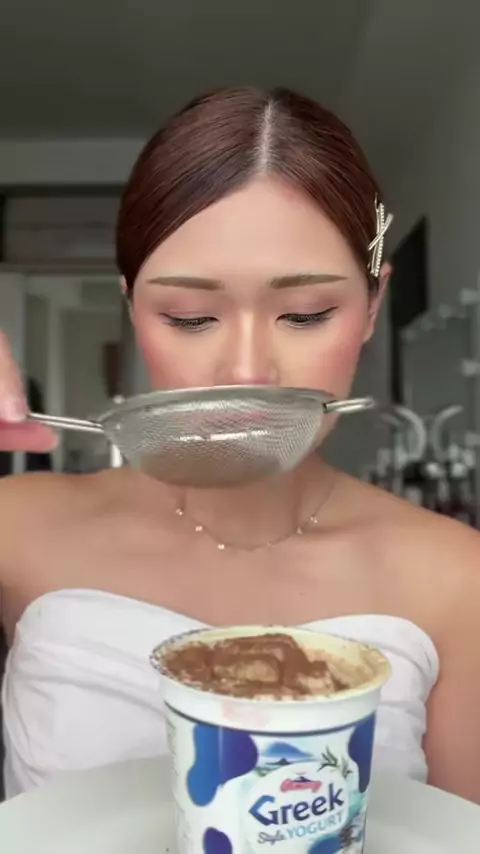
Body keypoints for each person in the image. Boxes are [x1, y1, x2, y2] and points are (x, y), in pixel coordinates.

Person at [0, 86, 480, 804]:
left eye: (306, 313)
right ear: (133, 309)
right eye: (191, 317)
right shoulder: (17, 525)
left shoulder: (457, 577)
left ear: (372, 307)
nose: (249, 371)